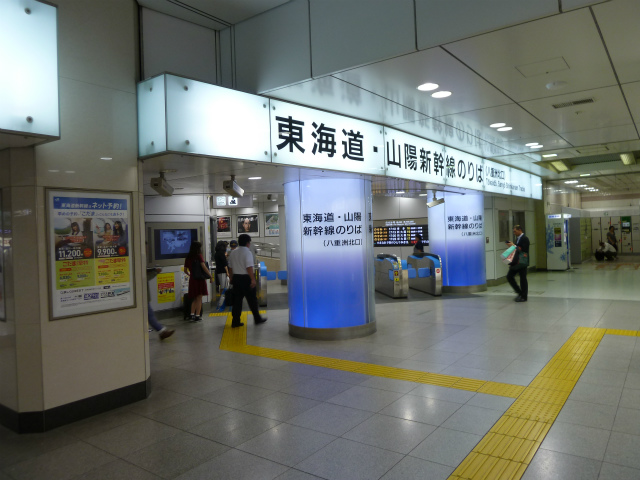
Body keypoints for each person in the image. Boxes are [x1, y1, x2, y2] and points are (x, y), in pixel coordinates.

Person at [228, 234, 267, 328]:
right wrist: (253, 279)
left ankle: (235, 321)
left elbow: (230, 268)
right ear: (247, 243)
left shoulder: (233, 252)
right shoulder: (247, 252)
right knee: (252, 300)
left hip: (236, 278)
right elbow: (249, 267)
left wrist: (231, 278)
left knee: (237, 301)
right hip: (246, 279)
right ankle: (257, 318)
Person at [146, 265, 175, 340]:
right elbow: (144, 278)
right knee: (149, 315)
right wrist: (155, 272)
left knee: (149, 314)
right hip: (141, 297)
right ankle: (162, 331)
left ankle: (162, 331)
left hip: (142, 297)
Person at [184, 241, 211, 322]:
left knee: (195, 298)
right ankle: (197, 316)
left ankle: (192, 315)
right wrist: (210, 275)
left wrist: (190, 274)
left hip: (192, 279)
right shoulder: (199, 256)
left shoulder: (188, 257)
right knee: (199, 298)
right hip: (200, 279)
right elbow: (204, 267)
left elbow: (185, 270)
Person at [506, 225, 530, 303]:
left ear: (520, 230)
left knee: (523, 279)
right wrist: (512, 246)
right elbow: (516, 249)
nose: (514, 233)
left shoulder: (525, 239)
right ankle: (520, 292)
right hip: (516, 262)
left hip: (522, 261)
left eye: (515, 231)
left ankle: (524, 296)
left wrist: (513, 245)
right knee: (509, 276)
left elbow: (523, 250)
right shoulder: (517, 239)